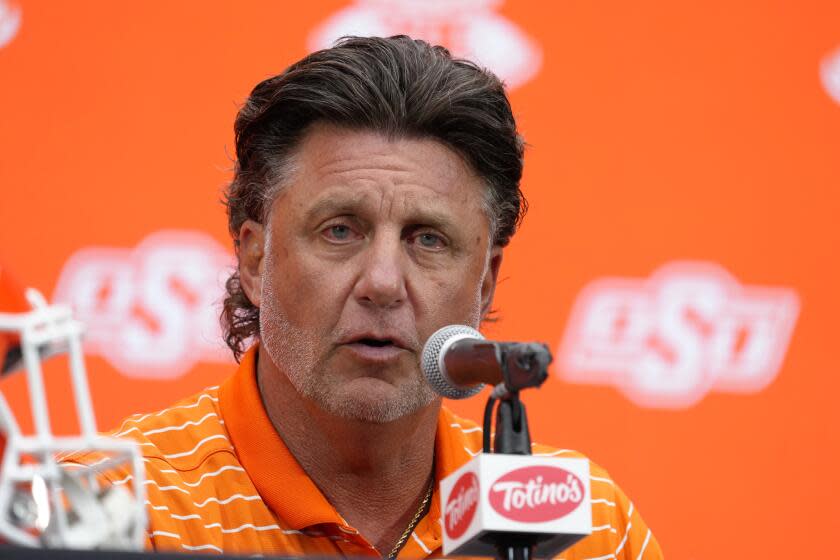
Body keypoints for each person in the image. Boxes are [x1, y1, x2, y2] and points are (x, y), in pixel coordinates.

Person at [64, 35, 663, 559]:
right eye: (340, 230)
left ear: (484, 282)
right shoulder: (104, 512)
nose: (382, 282)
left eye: (428, 240)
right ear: (254, 259)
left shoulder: (592, 534)